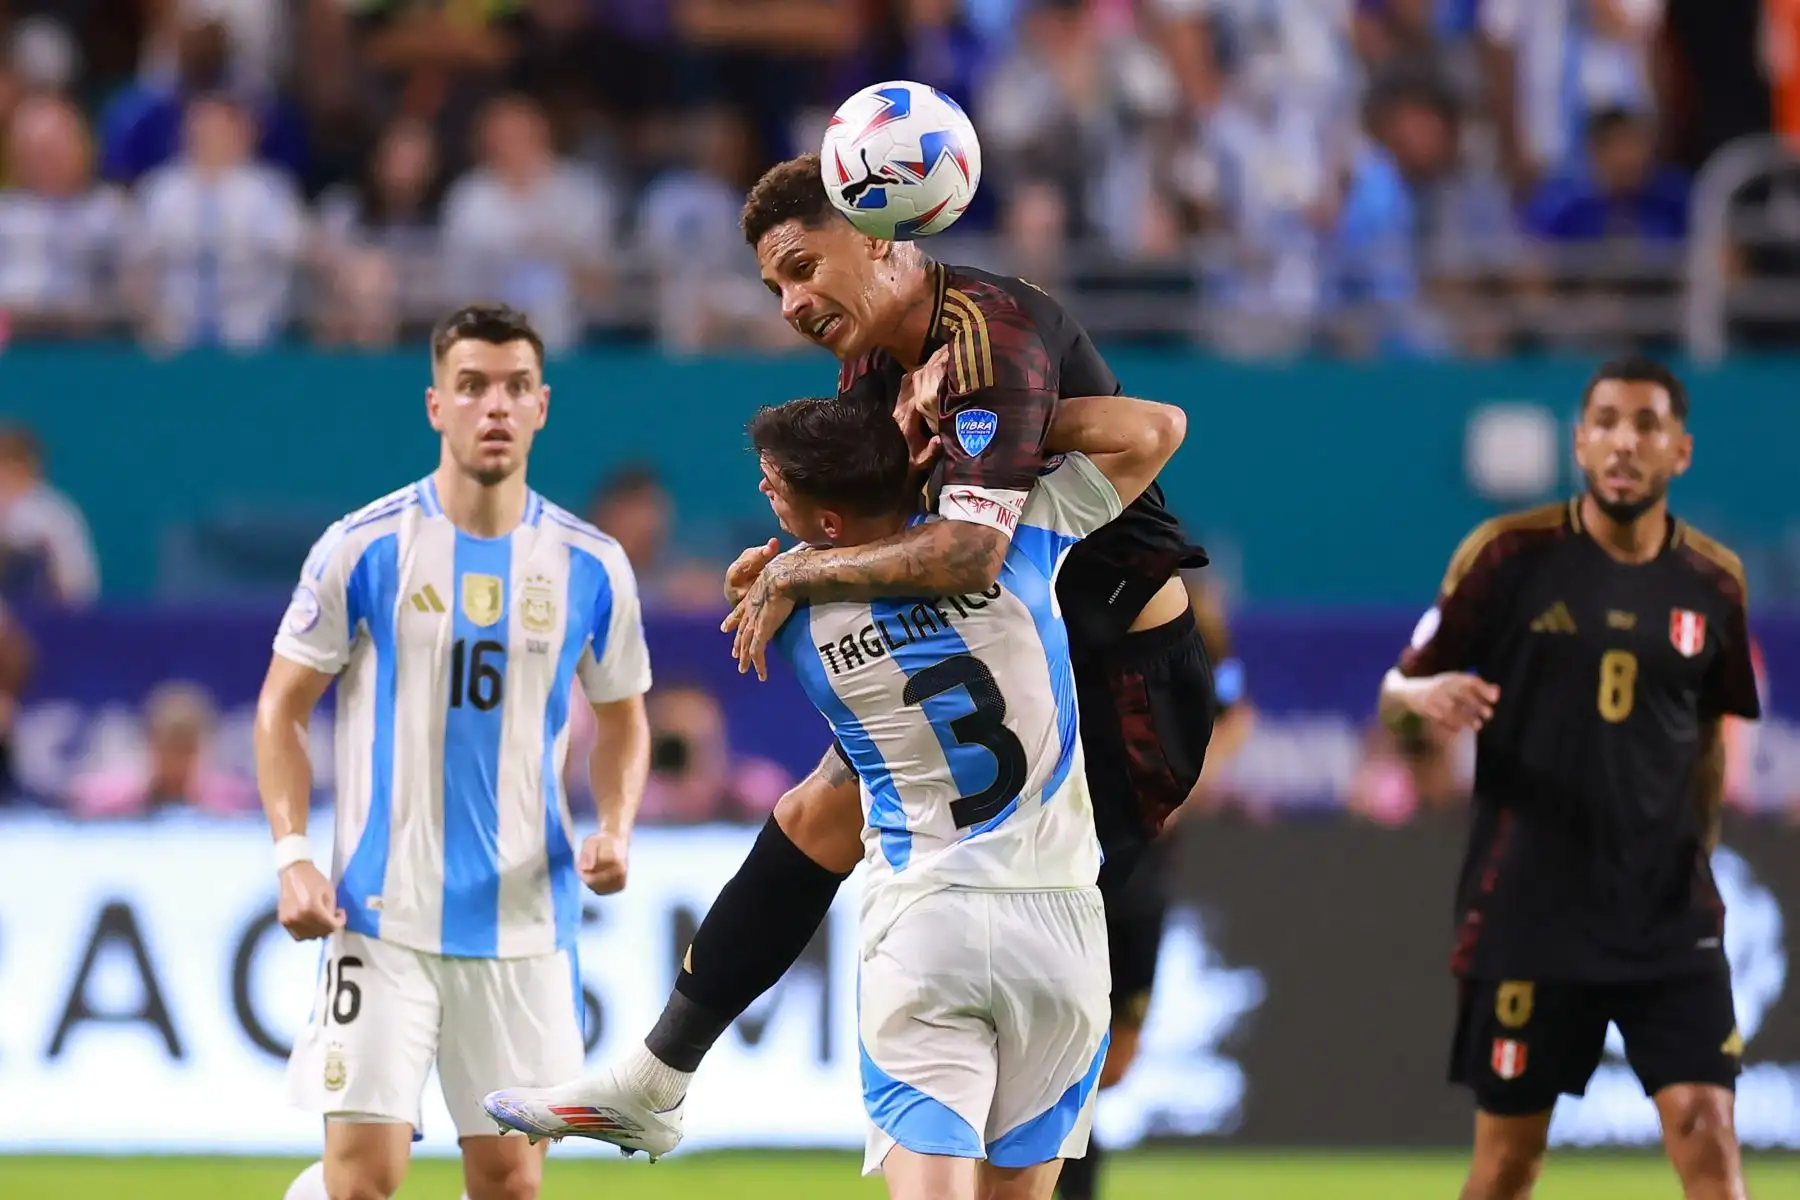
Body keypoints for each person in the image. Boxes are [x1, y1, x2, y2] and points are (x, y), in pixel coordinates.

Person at [478, 153, 1218, 1160]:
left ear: (877, 237)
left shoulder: (990, 336)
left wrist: (812, 568)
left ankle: (660, 1081)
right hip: (1007, 642)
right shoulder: (875, 363)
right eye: (771, 286)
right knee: (820, 816)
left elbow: (974, 544)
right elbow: (880, 513)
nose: (789, 302)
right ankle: (655, 1077)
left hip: (1121, 676)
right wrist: (796, 556)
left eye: (801, 267)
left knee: (1042, 939)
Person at [495, 389, 1185, 1199]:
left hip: (928, 927)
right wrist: (971, 433)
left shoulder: (799, 622)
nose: (764, 493)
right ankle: (654, 1076)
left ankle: (657, 1075)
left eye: (774, 485)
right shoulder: (1021, 542)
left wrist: (786, 575)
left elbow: (828, 595)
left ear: (825, 524)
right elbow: (1157, 428)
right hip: (1062, 928)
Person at [253, 303, 653, 1200]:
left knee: (511, 1184)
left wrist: (616, 826)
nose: (494, 406)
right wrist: (292, 856)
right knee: (363, 1180)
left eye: (515, 387)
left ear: (542, 405)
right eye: (472, 386)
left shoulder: (592, 564)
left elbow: (624, 717)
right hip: (378, 916)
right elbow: (281, 709)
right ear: (436, 405)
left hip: (525, 924)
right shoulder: (363, 548)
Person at [1377, 356, 1759, 1200]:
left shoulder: (1714, 583)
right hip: (1531, 911)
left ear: (1681, 451)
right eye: (1607, 423)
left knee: (1708, 1128)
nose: (1625, 442)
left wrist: (1697, 862)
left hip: (1668, 919)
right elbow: (1396, 697)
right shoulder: (1508, 556)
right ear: (1580, 443)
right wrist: (1420, 704)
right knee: (1509, 1163)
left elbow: (1708, 739)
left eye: (1647, 425)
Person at [1056, 581, 1255, 1200]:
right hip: (1072, 865)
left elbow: (1237, 717)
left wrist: (1182, 786)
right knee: (1059, 1044)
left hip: (1145, 873)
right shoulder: (1068, 615)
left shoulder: (1197, 638)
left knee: (1115, 1061)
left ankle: (1057, 1136)